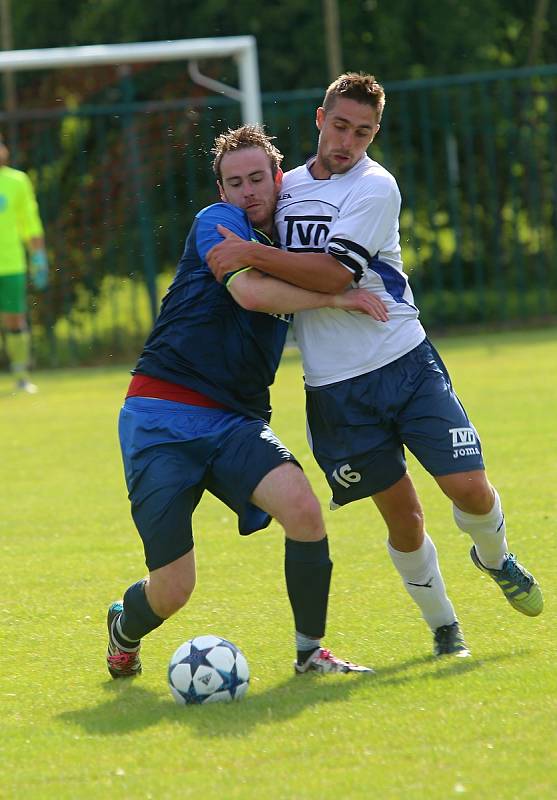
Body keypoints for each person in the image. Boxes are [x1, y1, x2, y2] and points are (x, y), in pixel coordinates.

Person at [206, 73, 543, 658]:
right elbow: (246, 224)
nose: (347, 141)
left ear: (374, 133)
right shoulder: (283, 191)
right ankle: (445, 629)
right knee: (404, 519)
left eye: (362, 132)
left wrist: (254, 252)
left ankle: (495, 556)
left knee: (469, 489)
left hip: (403, 359)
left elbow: (337, 275)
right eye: (339, 126)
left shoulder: (375, 186)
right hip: (335, 389)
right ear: (319, 119)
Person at [106, 124, 389, 680]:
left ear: (278, 179)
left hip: (234, 421)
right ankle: (124, 628)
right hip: (161, 415)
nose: (249, 192)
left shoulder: (289, 246)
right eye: (235, 183)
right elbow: (250, 292)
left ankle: (311, 654)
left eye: (258, 178)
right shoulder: (217, 224)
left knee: (305, 511)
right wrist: (338, 296)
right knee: (173, 589)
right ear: (222, 192)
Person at [0, 133, 48, 394]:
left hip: (10, 264)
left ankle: (21, 374)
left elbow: (30, 221)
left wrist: (38, 258)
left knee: (14, 320)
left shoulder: (17, 181)